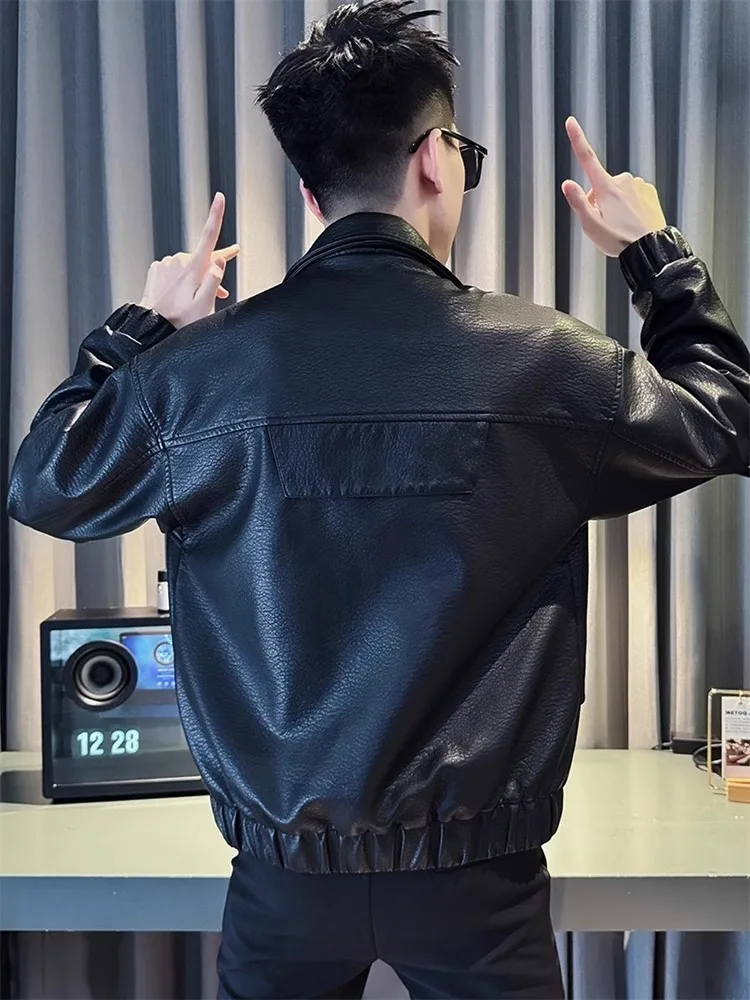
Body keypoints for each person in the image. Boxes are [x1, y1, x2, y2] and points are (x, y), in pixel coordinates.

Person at [8, 1, 749, 997]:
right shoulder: (546, 362)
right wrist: (653, 252)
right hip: (478, 880)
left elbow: (45, 481)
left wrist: (141, 326)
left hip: (281, 878)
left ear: (309, 190)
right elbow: (727, 413)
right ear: (436, 157)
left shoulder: (193, 379)